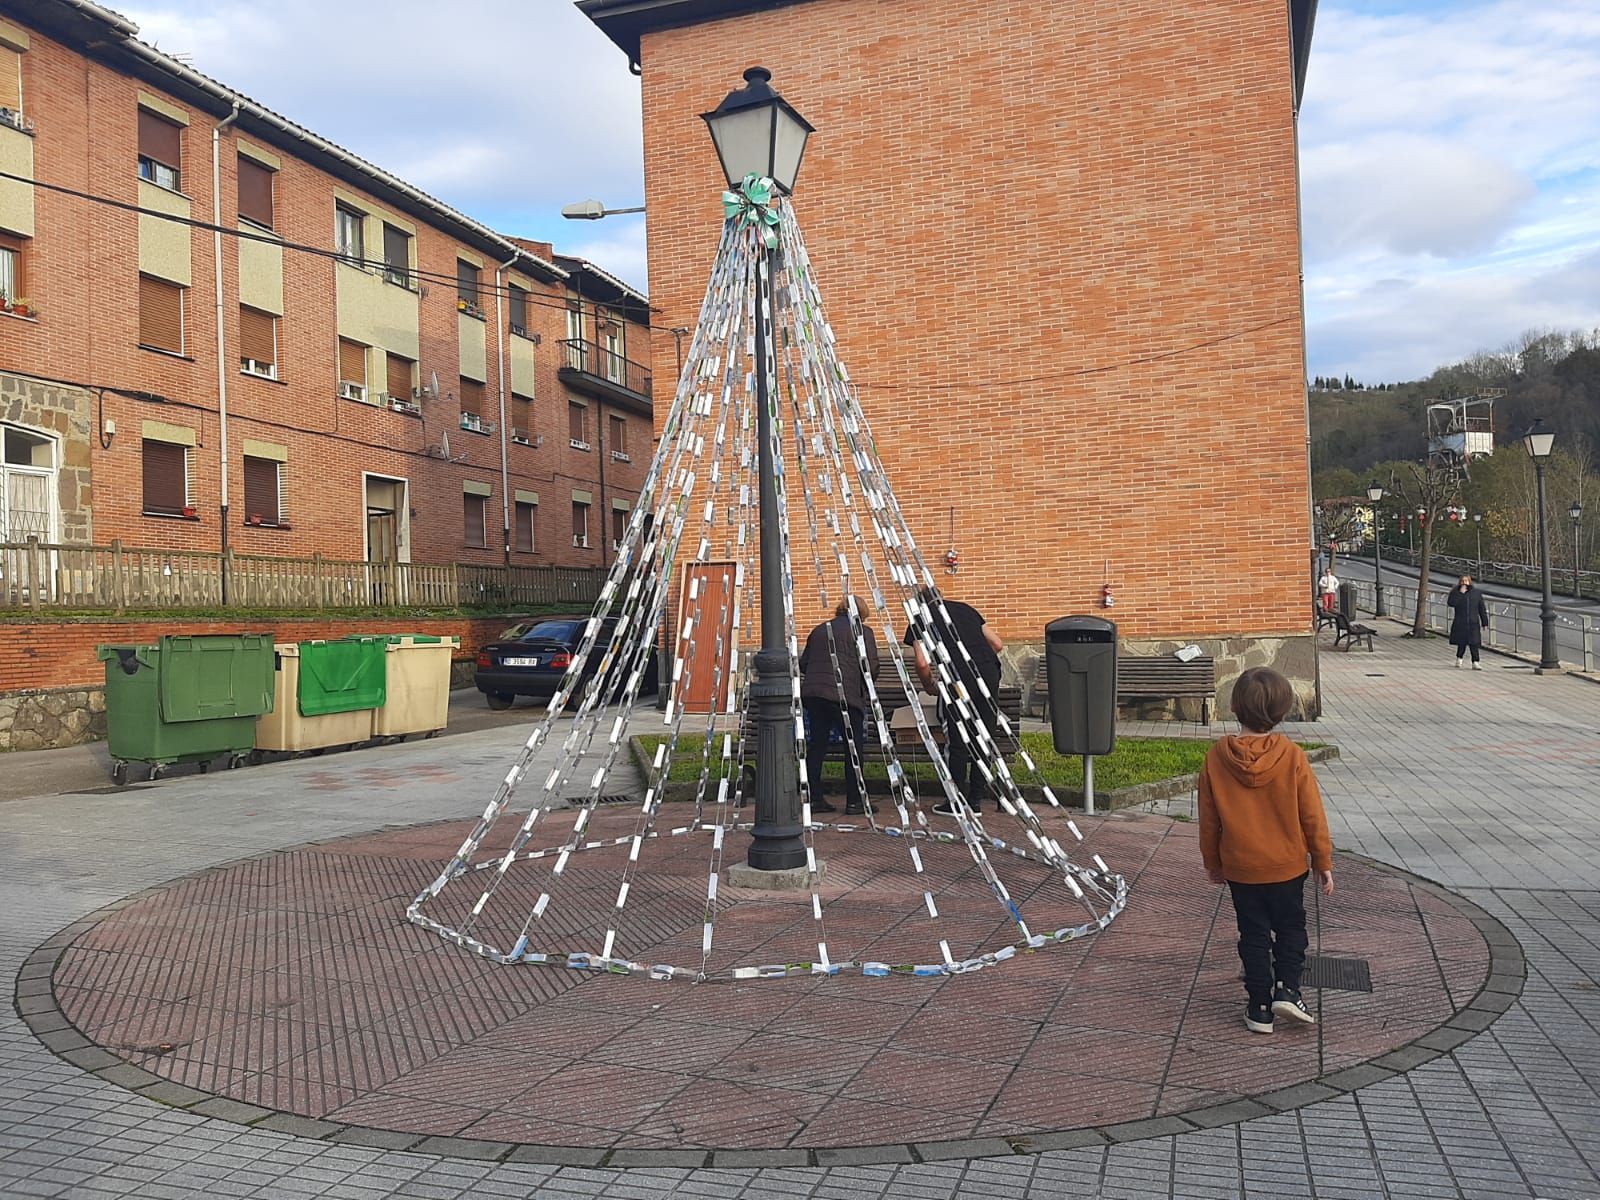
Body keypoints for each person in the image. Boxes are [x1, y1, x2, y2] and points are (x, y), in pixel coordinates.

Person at [1198, 666, 1334, 1035]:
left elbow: (1209, 820)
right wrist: (1322, 860)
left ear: (1235, 706)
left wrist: (1213, 862)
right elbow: (1312, 816)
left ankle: (1259, 1005)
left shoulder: (1215, 758)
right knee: (1291, 927)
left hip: (1241, 867)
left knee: (1253, 933)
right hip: (1287, 865)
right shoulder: (1292, 757)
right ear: (1281, 709)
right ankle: (1287, 988)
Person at [903, 588, 1005, 816]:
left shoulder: (919, 618)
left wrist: (929, 685)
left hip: (958, 678)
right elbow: (997, 644)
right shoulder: (967, 610)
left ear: (920, 603)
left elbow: (921, 663)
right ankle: (976, 801)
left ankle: (955, 801)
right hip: (988, 674)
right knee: (983, 737)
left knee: (957, 738)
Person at [799, 596, 879, 815]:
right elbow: (870, 667)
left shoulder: (818, 630)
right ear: (862, 613)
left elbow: (803, 663)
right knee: (853, 748)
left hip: (815, 695)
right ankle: (855, 801)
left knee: (817, 746)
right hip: (847, 696)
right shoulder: (864, 632)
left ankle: (815, 799)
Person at [1446, 574, 1489, 670]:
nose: (1464, 583)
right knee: (1462, 642)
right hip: (1461, 621)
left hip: (1473, 622)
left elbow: (1481, 608)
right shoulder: (1456, 592)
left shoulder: (1476, 593)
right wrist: (1460, 594)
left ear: (1470, 582)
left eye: (1466, 581)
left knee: (1474, 643)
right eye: (1462, 581)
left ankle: (1475, 662)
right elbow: (1451, 603)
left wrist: (1484, 622)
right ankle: (1459, 658)